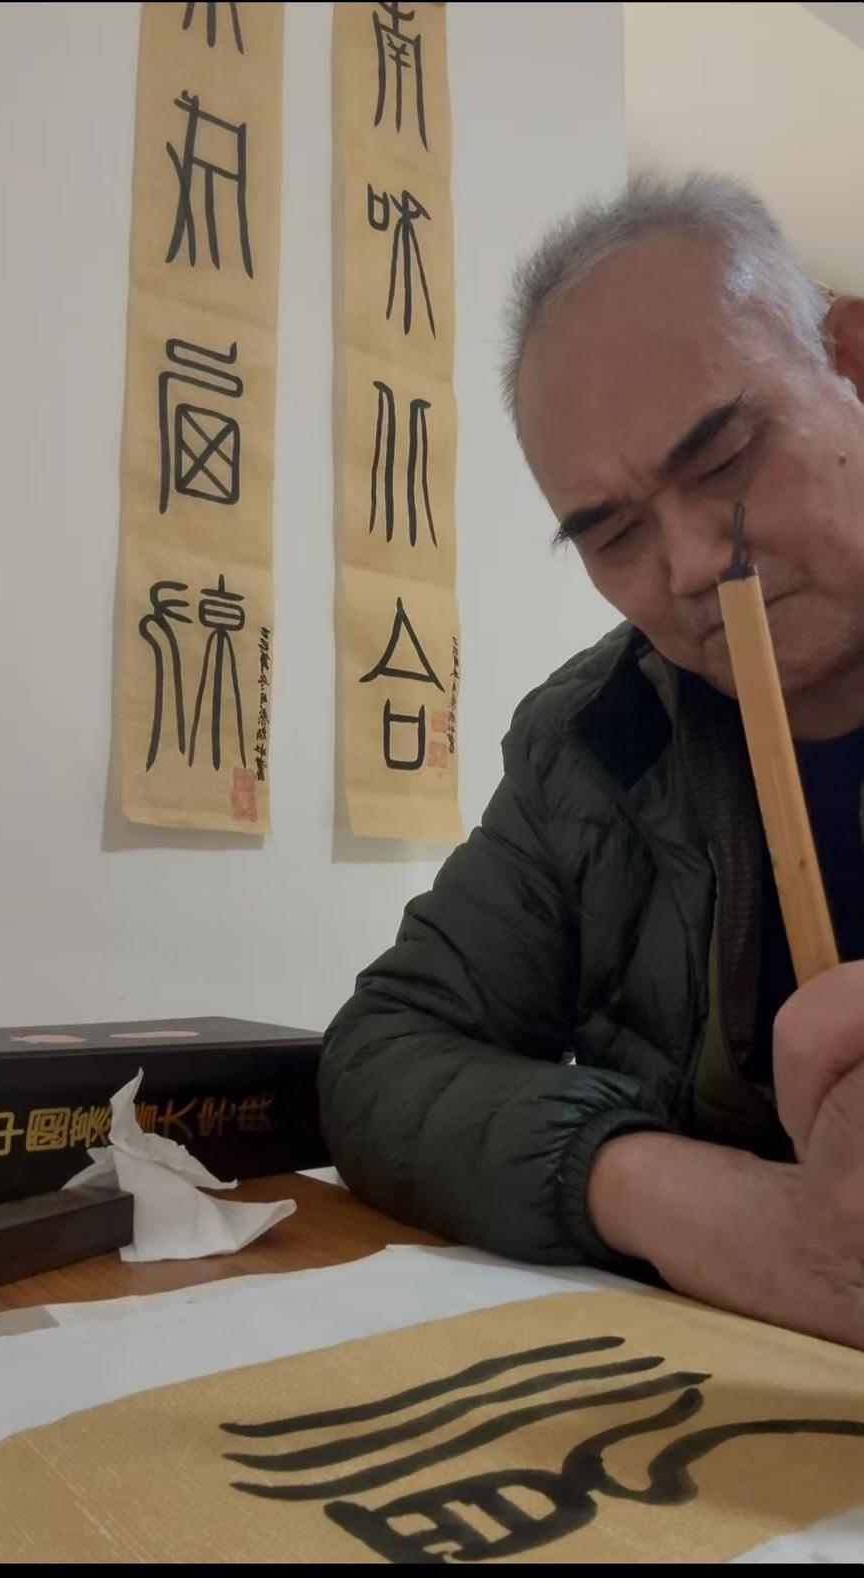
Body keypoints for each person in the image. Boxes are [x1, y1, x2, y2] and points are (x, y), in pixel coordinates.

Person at [319, 173, 864, 1352]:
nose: (687, 568)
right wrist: (678, 1195)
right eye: (610, 534)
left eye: (723, 460)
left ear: (849, 365)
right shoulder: (593, 739)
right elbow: (382, 1054)